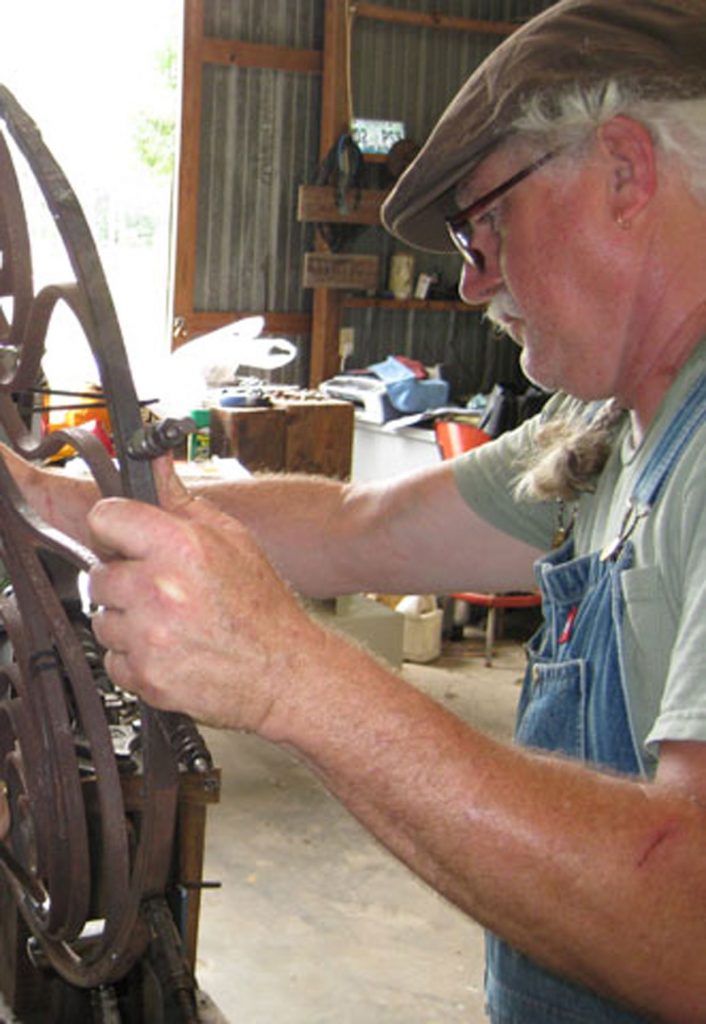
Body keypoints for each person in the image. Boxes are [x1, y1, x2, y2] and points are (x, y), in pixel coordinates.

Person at [7, 0, 706, 1020]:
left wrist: (290, 674)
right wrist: (48, 492)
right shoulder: (605, 430)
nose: (472, 284)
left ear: (624, 172)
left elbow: (684, 921)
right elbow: (360, 529)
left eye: (484, 224)